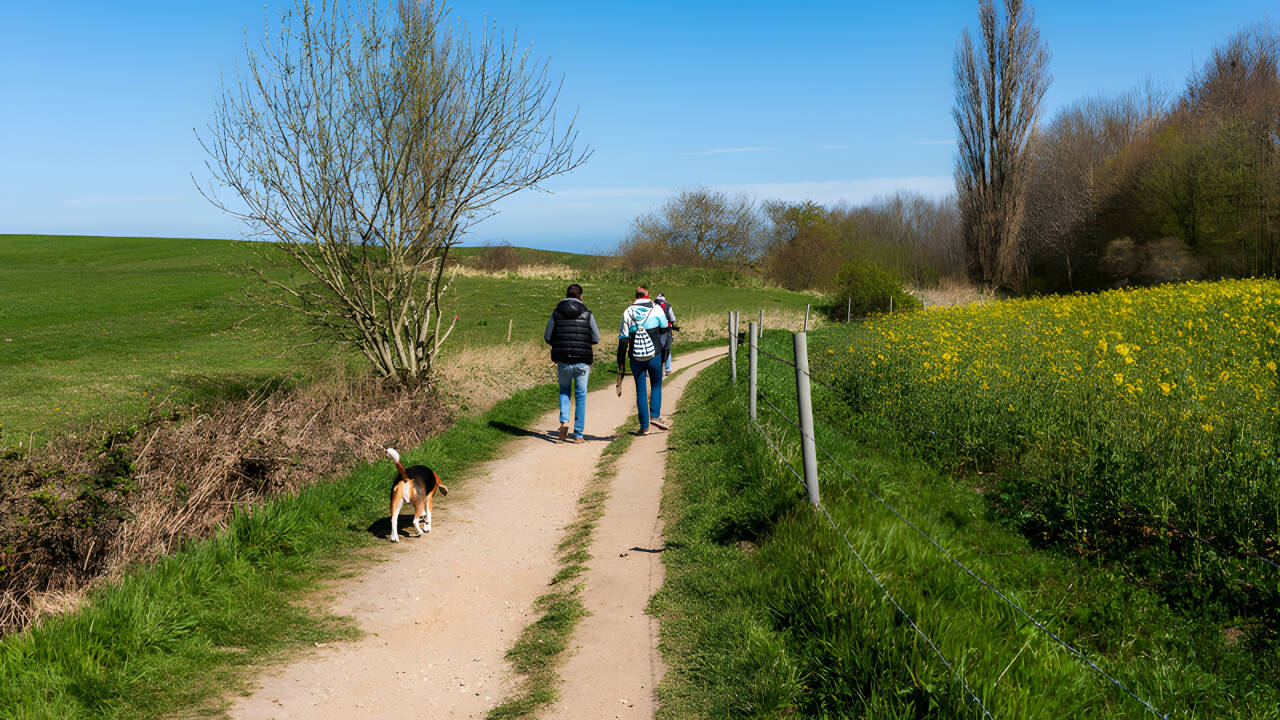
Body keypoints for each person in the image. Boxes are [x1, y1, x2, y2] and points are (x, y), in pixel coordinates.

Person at [545, 283, 600, 443]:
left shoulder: (556, 313)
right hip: (582, 360)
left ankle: (564, 421)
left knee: (564, 391)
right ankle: (579, 434)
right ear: (580, 296)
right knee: (581, 395)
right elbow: (596, 338)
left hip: (563, 359)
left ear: (567, 295)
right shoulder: (588, 314)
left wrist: (560, 343)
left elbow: (548, 336)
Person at [617, 285, 670, 435]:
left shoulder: (627, 312)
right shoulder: (656, 308)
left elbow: (623, 337)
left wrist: (620, 360)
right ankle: (655, 416)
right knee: (656, 383)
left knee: (640, 389)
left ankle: (644, 426)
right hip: (654, 353)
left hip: (635, 356)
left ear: (636, 296)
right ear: (647, 295)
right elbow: (664, 326)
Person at [655, 292, 677, 374]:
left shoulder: (654, 306)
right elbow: (673, 319)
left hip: (656, 330)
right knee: (667, 349)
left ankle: (656, 369)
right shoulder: (668, 306)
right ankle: (667, 370)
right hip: (667, 330)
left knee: (656, 349)